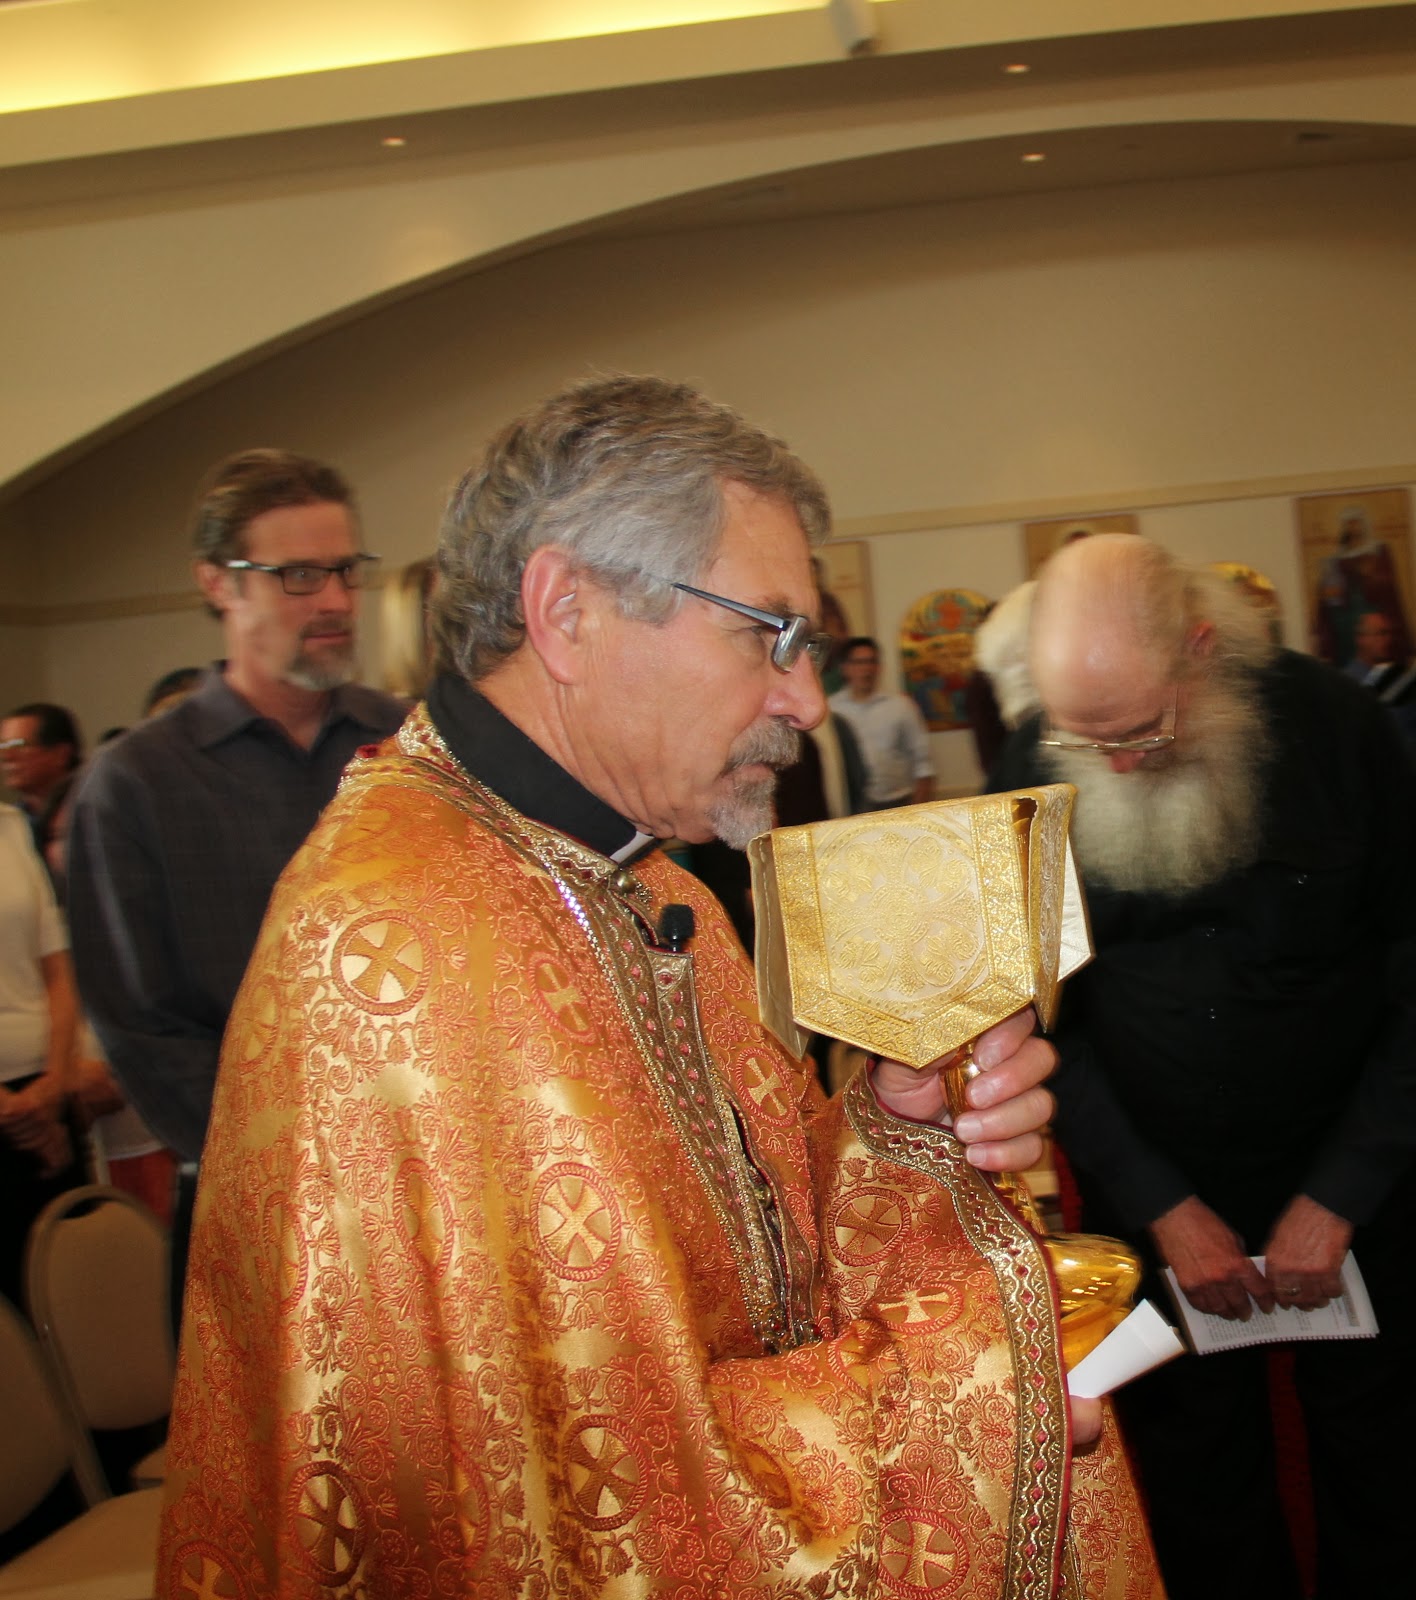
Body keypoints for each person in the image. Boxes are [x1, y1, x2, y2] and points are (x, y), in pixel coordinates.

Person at [155, 376, 1161, 1599]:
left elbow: (758, 1264)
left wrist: (897, 1126)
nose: (804, 699)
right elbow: (552, 1513)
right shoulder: (396, 946)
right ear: (567, 610)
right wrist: (975, 1394)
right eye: (768, 633)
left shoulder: (649, 882)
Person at [990, 533, 1416, 1600]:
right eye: (1086, 739)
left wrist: (1343, 1191)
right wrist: (1162, 1204)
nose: (1116, 765)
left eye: (1140, 730)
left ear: (1200, 649)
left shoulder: (1344, 731)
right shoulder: (1038, 762)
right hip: (1155, 1174)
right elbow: (1046, 1017)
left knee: (1383, 1465)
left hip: (1359, 1171)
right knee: (1196, 1480)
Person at [67, 450, 408, 1311]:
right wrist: (291, 1164)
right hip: (254, 1214)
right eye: (298, 576)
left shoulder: (413, 750)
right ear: (219, 584)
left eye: (345, 571)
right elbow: (141, 1028)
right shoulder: (137, 783)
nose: (335, 601)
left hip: (427, 1194)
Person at [0, 805, 84, 1305]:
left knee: (69, 1289)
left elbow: (56, 966)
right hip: (16, 1107)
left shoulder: (10, 825)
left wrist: (54, 1084)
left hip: (45, 1088)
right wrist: (13, 1112)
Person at [828, 635, 934, 808]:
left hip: (899, 802)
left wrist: (918, 809)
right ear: (845, 668)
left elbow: (923, 763)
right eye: (859, 662)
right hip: (852, 807)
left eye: (872, 662)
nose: (866, 668)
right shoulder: (832, 709)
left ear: (879, 667)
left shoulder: (901, 706)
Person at [1, 701, 82, 892]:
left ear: (61, 754)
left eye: (19, 745)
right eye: (3, 745)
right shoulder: (11, 823)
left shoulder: (90, 810)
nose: (6, 756)